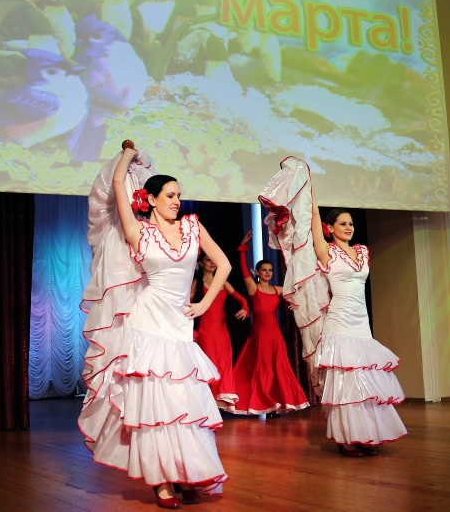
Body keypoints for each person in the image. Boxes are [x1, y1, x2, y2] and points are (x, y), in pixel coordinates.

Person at [78, 141, 230, 509]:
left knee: (183, 404)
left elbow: (223, 264)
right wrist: (128, 154)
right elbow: (118, 184)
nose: (177, 201)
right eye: (170, 195)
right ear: (151, 199)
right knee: (155, 407)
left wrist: (204, 303)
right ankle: (162, 482)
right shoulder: (139, 231)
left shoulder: (193, 227)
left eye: (179, 195)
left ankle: (188, 474)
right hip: (146, 325)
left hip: (178, 326)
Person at [309, 201, 407, 457]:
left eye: (351, 223)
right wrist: (310, 191)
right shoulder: (326, 251)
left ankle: (364, 435)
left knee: (365, 381)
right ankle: (345, 439)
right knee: (346, 383)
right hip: (339, 322)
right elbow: (313, 216)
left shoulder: (362, 251)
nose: (349, 227)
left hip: (361, 323)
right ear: (329, 228)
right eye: (342, 223)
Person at [231, 231, 310, 416]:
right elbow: (243, 270)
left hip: (275, 336)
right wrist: (242, 249)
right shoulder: (253, 288)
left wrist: (294, 303)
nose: (268, 273)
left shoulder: (278, 289)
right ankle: (263, 403)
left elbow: (296, 292)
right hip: (260, 335)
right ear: (258, 272)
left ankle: (276, 404)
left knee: (278, 369)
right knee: (262, 369)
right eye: (264, 270)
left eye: (270, 270)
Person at [191, 252, 249, 412]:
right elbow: (186, 304)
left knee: (224, 364)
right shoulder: (197, 282)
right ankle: (207, 405)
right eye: (208, 259)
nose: (212, 263)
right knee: (210, 365)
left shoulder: (222, 282)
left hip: (222, 332)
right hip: (205, 331)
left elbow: (243, 300)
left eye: (214, 260)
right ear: (200, 263)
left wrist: (245, 308)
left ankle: (219, 404)